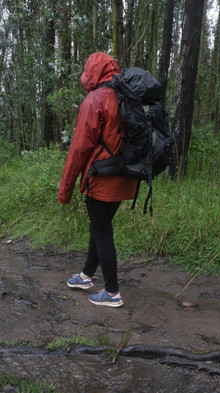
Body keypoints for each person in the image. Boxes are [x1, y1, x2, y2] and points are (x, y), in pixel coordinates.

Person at [58, 52, 136, 308]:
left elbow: (79, 149)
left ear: (93, 73)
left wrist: (65, 190)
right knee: (99, 225)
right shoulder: (127, 97)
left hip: (101, 179)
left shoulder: (95, 100)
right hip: (125, 176)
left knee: (102, 231)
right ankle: (85, 276)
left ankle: (112, 293)